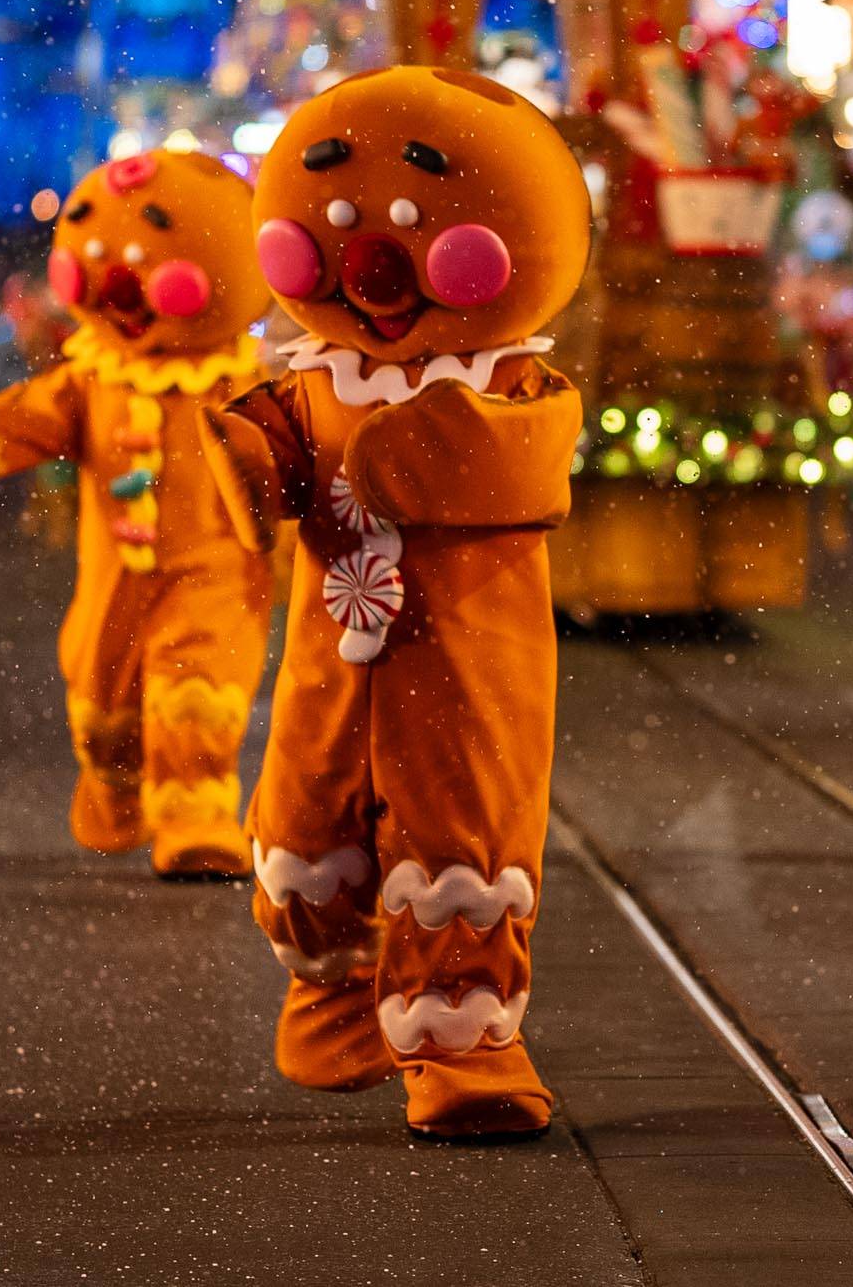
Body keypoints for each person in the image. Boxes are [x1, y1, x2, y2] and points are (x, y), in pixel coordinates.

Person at [202, 67, 590, 1140]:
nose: (370, 262)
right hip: (332, 665)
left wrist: (428, 456)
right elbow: (265, 454)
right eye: (338, 222)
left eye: (416, 225)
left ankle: (464, 1046)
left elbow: (521, 464)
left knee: (458, 846)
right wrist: (233, 458)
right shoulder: (308, 380)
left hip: (466, 673)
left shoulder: (515, 385)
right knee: (298, 822)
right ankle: (331, 985)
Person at [0, 149, 274, 878]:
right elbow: (21, 420)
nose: (121, 281)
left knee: (196, 687)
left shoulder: (239, 384)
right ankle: (116, 787)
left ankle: (196, 819)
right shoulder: (93, 379)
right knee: (104, 701)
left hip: (214, 572)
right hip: (114, 578)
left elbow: (301, 450)